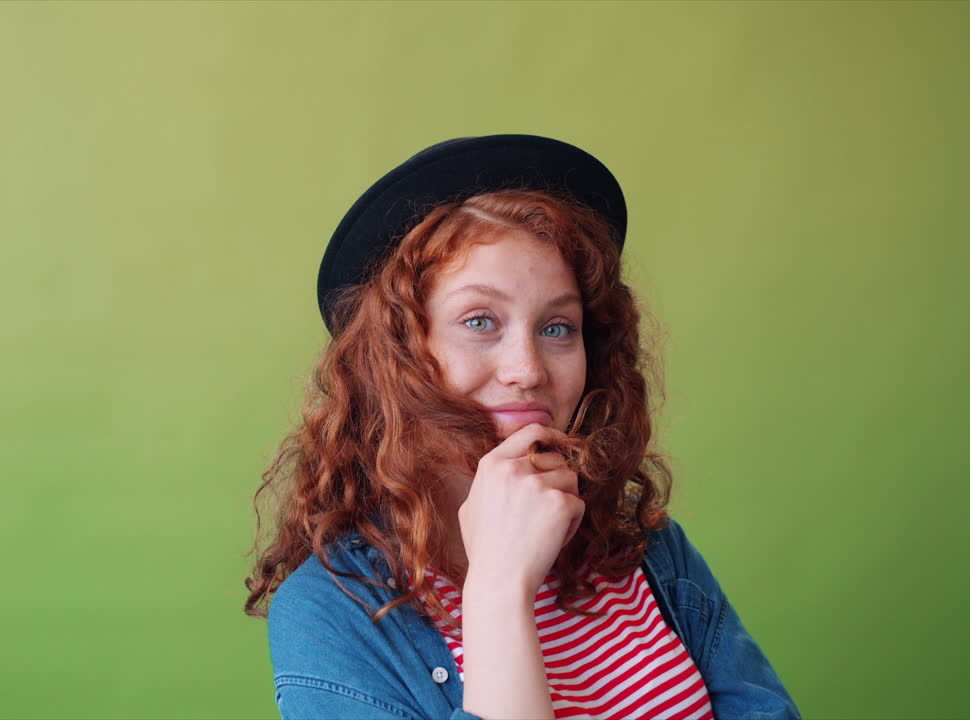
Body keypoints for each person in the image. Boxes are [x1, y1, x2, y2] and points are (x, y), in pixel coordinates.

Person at [244, 134, 799, 720]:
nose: (528, 370)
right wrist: (499, 591)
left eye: (557, 327)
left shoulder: (651, 550)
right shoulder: (331, 612)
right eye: (480, 320)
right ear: (397, 356)